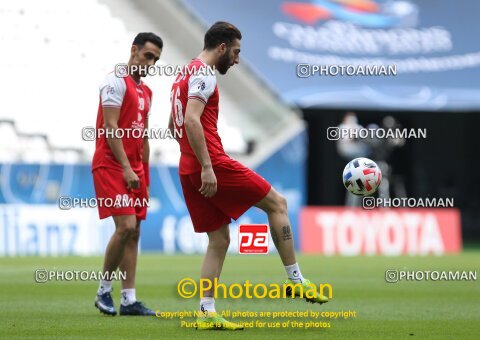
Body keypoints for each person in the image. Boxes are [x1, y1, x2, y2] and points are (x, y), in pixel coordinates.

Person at [169, 22, 328, 331]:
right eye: (237, 52)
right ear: (222, 48)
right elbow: (190, 120)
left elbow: (172, 122)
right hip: (211, 163)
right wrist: (206, 165)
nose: (238, 60)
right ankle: (295, 280)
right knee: (278, 204)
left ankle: (205, 312)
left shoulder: (182, 74)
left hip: (185, 166)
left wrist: (192, 159)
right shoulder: (203, 73)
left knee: (219, 239)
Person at [92, 32, 162, 316]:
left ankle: (129, 300)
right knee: (126, 227)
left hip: (135, 169)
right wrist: (125, 167)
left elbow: (144, 137)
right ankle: (103, 291)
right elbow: (111, 128)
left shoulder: (147, 92)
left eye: (156, 59)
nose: (151, 63)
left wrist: (145, 175)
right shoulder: (114, 81)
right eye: (148, 56)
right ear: (133, 50)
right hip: (111, 164)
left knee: (135, 233)